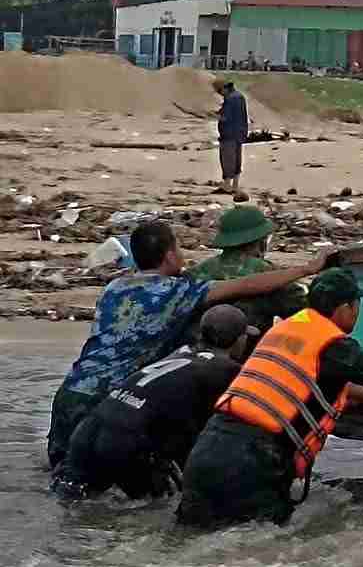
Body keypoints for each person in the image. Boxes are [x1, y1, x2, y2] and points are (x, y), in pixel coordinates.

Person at [176, 267, 363, 529]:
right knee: (257, 542)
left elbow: (326, 386)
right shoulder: (333, 345)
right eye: (357, 305)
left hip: (206, 450)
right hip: (251, 461)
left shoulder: (284, 330)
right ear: (345, 307)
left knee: (193, 537)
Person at [46, 220, 322, 467]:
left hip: (71, 392)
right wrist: (307, 268)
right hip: (114, 402)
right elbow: (247, 285)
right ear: (169, 255)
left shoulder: (115, 287)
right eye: (178, 248)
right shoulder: (177, 291)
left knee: (65, 480)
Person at [53, 305, 254, 501]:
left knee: (73, 500)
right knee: (154, 507)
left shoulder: (180, 353)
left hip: (88, 428)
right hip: (124, 440)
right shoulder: (228, 370)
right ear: (239, 339)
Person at [187, 205, 305, 334]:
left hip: (195, 343)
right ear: (261, 242)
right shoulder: (270, 275)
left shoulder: (196, 272)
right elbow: (302, 310)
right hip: (249, 344)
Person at [217, 80, 249, 195]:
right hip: (240, 133)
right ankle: (235, 185)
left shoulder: (230, 99)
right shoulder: (241, 96)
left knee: (227, 159)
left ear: (226, 89)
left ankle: (227, 186)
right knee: (237, 160)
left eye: (220, 91)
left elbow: (225, 117)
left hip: (228, 134)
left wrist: (215, 116)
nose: (220, 94)